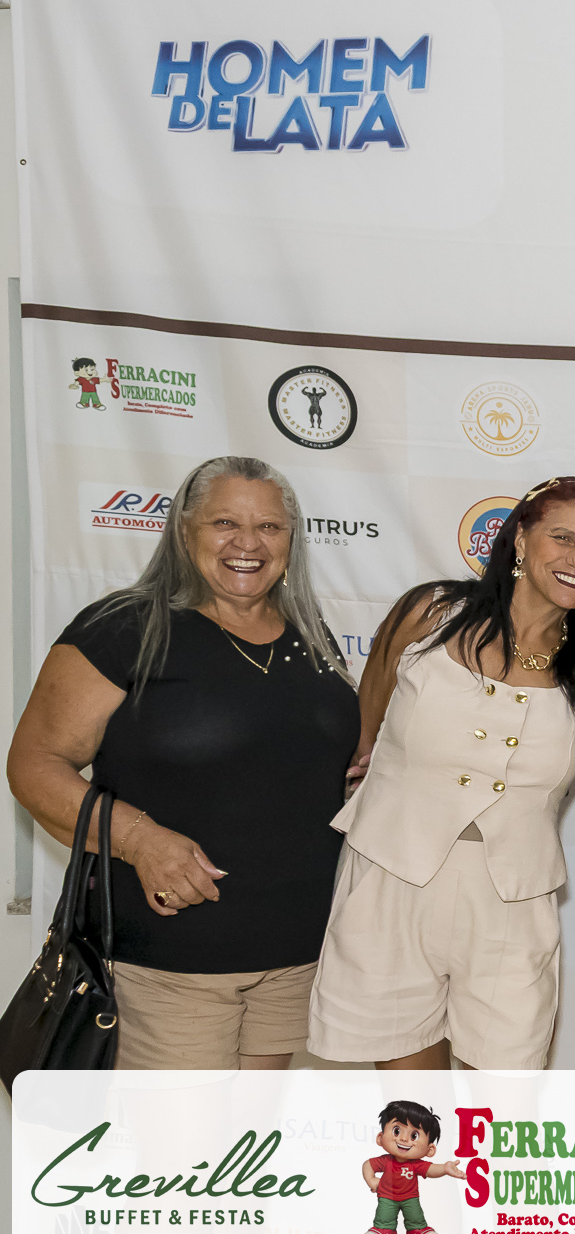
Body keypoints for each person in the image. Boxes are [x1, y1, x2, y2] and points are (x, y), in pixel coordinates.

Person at [6, 456, 358, 1071]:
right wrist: (140, 839)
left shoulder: (311, 636)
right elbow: (34, 765)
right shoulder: (126, 628)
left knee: (260, 1134)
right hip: (169, 965)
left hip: (297, 960)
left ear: (291, 540)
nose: (248, 543)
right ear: (184, 529)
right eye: (225, 522)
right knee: (186, 1138)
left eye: (269, 527)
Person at [307, 476, 575, 1071]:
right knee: (413, 1109)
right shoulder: (428, 613)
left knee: (499, 1107)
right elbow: (366, 734)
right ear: (522, 539)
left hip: (513, 900)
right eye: (563, 538)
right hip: (392, 880)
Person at [361, 1101, 461, 1234]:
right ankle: (384, 1229)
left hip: (410, 1198)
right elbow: (368, 1165)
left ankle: (417, 1230)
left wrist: (445, 1168)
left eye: (414, 1135)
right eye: (396, 1131)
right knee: (384, 1216)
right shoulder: (385, 1161)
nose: (403, 1139)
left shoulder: (416, 1164)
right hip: (387, 1197)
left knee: (415, 1217)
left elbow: (431, 1170)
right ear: (380, 1138)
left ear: (430, 1150)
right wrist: (371, 1180)